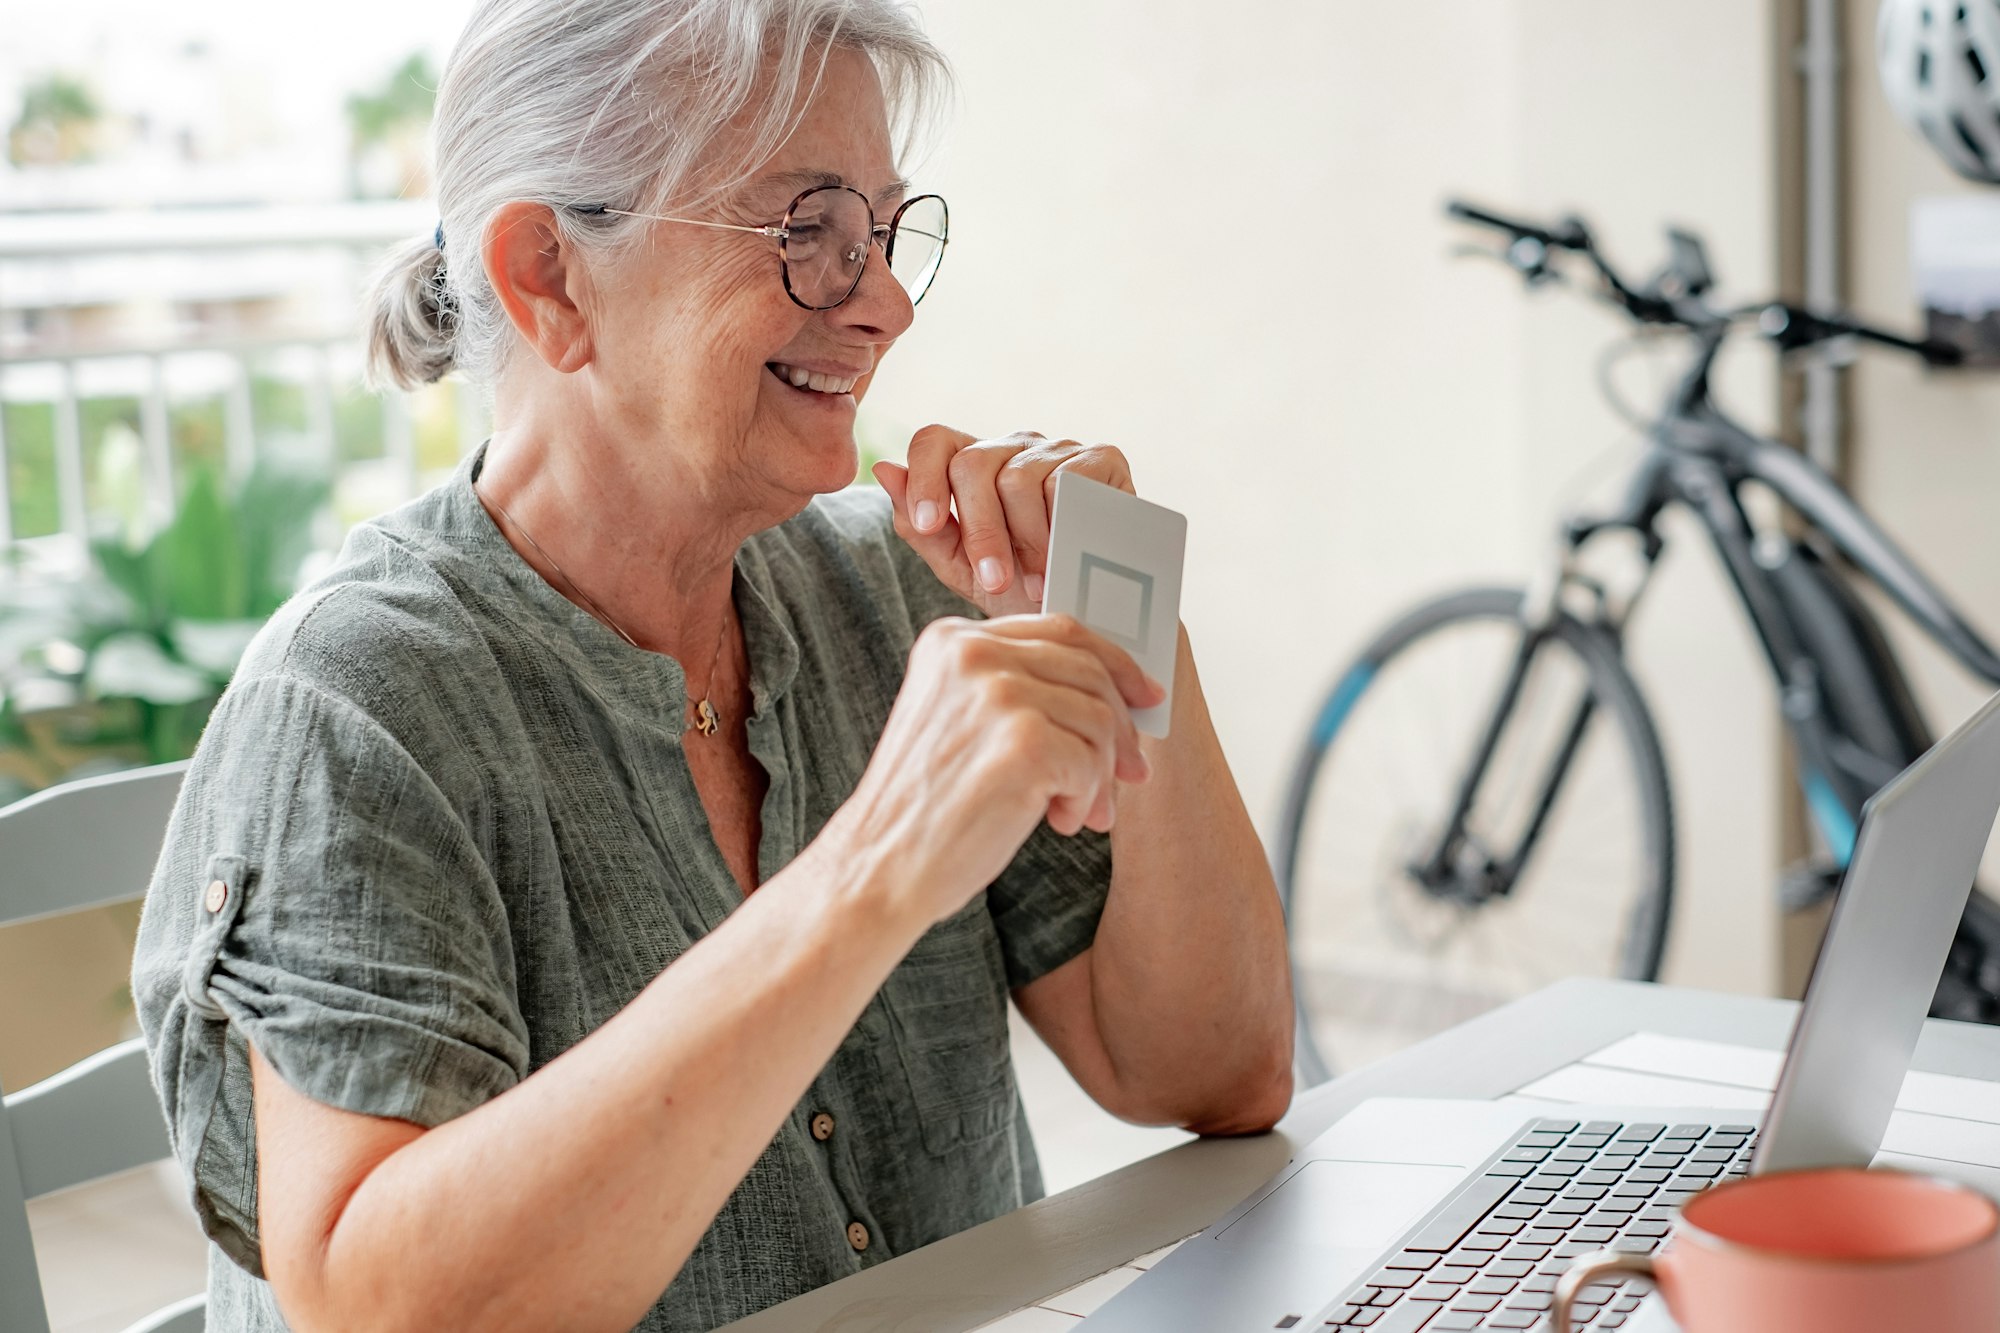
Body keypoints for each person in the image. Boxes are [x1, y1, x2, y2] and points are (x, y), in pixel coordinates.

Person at [130, 1, 1292, 1329]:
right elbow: (382, 1311)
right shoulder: (356, 704)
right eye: (810, 232)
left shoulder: (890, 596)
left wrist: (1126, 613)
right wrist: (876, 863)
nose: (890, 302)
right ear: (550, 280)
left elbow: (1218, 1073)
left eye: (886, 229)